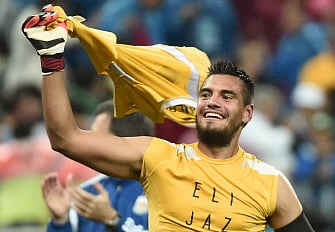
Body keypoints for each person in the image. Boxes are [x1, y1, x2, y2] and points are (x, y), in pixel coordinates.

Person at [22, 6, 315, 231]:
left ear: (247, 114)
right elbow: (66, 138)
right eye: (206, 94)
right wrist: (51, 58)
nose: (213, 102)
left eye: (227, 97)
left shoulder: (272, 184)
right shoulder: (159, 157)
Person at [42, 100, 153, 232]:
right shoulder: (86, 193)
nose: (89, 143)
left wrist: (112, 219)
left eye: (96, 136)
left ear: (122, 142)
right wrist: (60, 221)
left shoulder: (163, 190)